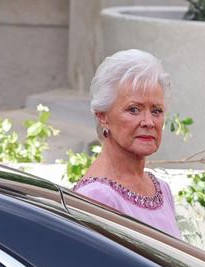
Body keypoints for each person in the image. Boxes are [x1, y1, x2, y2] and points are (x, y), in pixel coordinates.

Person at [73, 49, 181, 238]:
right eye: (134, 110)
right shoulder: (96, 197)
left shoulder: (161, 189)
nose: (148, 121)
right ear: (103, 116)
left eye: (156, 111)